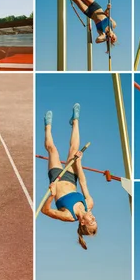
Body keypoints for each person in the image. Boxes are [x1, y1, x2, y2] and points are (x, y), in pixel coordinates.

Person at [41, 104, 97, 250]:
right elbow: (83, 182)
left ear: (83, 223)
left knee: (53, 150)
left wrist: (52, 195)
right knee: (74, 151)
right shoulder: (89, 203)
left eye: (91, 221)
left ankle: (47, 127)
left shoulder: (69, 216)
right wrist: (79, 161)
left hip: (56, 179)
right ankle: (75, 120)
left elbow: (45, 211)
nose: (93, 218)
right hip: (71, 177)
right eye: (95, 220)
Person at [51, 0, 117, 46]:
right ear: (115, 35)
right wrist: (108, 8)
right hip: (96, 7)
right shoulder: (113, 24)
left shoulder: (102, 34)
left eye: (112, 40)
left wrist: (106, 38)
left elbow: (97, 40)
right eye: (114, 38)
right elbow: (106, 14)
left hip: (89, 12)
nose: (113, 38)